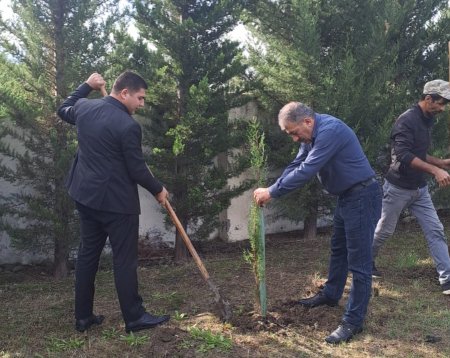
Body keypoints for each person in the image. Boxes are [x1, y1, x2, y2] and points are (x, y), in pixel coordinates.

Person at [253, 102, 382, 344]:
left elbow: (307, 170)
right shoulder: (311, 135)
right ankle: (331, 295)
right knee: (338, 250)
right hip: (348, 197)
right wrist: (274, 187)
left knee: (360, 264)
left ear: (307, 122)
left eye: (293, 132)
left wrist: (272, 192)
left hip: (363, 197)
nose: (294, 138)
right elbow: (296, 165)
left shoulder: (329, 131)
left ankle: (353, 322)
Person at [57, 71, 170, 333]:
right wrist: (158, 190)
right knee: (124, 260)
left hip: (85, 197)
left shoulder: (84, 108)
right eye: (140, 98)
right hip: (117, 205)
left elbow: (63, 108)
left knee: (87, 256)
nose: (141, 104)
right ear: (124, 93)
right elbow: (137, 170)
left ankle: (83, 317)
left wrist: (86, 85)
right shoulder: (129, 126)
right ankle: (134, 318)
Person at [372, 80, 450, 295]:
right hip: (397, 187)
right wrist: (435, 171)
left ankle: (448, 279)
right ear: (428, 99)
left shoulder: (427, 120)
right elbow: (403, 155)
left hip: (419, 189)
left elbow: (418, 152)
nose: (443, 109)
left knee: (435, 230)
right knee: (384, 231)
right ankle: (364, 262)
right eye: (440, 103)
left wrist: (440, 163)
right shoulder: (406, 121)